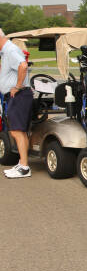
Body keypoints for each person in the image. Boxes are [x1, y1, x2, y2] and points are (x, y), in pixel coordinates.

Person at [0, 29, 32, 179]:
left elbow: (23, 66)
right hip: (17, 95)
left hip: (19, 94)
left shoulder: (10, 50)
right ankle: (22, 163)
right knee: (19, 131)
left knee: (16, 131)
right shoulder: (6, 51)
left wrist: (17, 86)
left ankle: (25, 167)